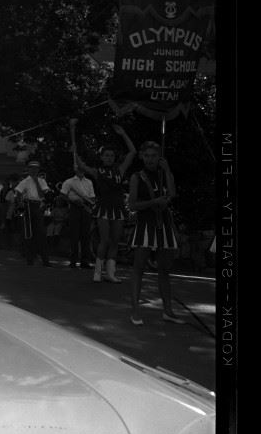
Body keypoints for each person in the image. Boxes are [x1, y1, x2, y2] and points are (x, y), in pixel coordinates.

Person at [128, 142, 184, 326]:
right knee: (139, 268)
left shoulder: (164, 174)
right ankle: (135, 310)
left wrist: (167, 171)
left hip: (164, 224)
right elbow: (132, 205)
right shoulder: (137, 177)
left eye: (154, 156)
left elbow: (172, 194)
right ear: (143, 157)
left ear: (159, 157)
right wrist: (153, 202)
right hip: (145, 225)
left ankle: (168, 311)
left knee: (164, 270)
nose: (151, 159)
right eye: (147, 156)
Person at [74, 122, 136, 283]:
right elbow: (80, 164)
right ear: (101, 157)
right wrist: (73, 134)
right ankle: (97, 271)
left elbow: (133, 152)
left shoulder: (120, 170)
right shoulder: (97, 171)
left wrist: (123, 133)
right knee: (105, 239)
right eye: (106, 155)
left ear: (114, 158)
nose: (109, 158)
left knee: (115, 240)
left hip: (118, 207)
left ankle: (110, 273)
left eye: (111, 155)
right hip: (103, 207)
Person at [60, 164, 96, 270]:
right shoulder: (69, 182)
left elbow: (92, 197)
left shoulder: (89, 182)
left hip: (86, 208)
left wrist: (89, 203)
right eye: (78, 168)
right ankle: (73, 261)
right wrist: (73, 200)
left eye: (82, 169)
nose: (80, 170)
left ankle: (85, 262)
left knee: (86, 236)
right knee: (74, 235)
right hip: (74, 208)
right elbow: (62, 195)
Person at [14, 160, 50, 266]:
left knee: (41, 233)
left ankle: (45, 260)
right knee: (29, 234)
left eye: (35, 168)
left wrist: (36, 181)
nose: (33, 170)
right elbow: (18, 192)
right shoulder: (25, 181)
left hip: (38, 206)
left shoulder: (42, 181)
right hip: (28, 206)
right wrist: (20, 202)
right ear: (29, 170)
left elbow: (43, 194)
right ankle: (30, 259)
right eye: (31, 168)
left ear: (38, 170)